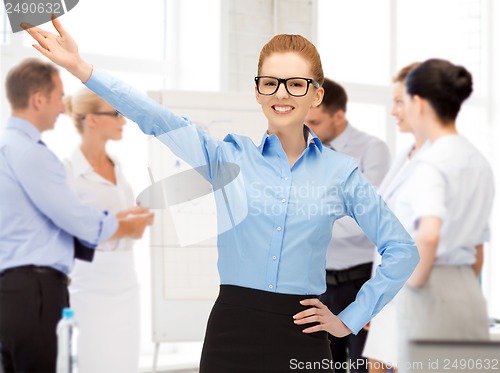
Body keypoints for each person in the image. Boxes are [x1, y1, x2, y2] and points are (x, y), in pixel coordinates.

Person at [25, 19, 419, 373]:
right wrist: (82, 69)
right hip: (231, 331)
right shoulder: (227, 158)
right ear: (259, 92)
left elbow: (402, 249)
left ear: (315, 95)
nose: (282, 93)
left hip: (303, 335)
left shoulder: (341, 173)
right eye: (271, 82)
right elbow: (156, 118)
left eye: (296, 84)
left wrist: (349, 319)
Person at [0, 58, 153, 372]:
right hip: (37, 288)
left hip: (29, 287)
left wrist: (118, 221)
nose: (61, 107)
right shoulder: (32, 154)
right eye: (57, 98)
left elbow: (55, 221)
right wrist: (123, 227)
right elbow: (75, 219)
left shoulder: (10, 147)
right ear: (37, 99)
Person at [394, 59, 494, 371]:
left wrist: (411, 282)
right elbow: (479, 250)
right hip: (469, 290)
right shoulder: (478, 160)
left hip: (430, 292)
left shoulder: (431, 162)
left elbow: (429, 234)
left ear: (419, 103)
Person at [305, 78, 391, 373]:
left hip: (359, 284)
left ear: (338, 116)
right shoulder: (304, 149)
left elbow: (366, 219)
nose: (308, 129)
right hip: (317, 285)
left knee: (362, 366)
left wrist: (309, 221)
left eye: (315, 121)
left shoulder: (372, 149)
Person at [63, 88, 141, 373]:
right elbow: (71, 234)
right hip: (92, 288)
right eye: (115, 114)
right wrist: (125, 225)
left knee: (126, 364)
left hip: (126, 284)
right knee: (96, 363)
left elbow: (110, 220)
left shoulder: (118, 166)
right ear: (91, 120)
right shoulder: (68, 172)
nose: (123, 121)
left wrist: (132, 222)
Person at [361, 62, 428, 373]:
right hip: (391, 301)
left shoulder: (442, 160)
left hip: (418, 307)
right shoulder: (406, 156)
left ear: (422, 103)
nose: (393, 111)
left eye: (400, 102)